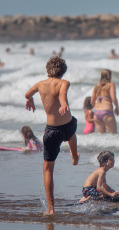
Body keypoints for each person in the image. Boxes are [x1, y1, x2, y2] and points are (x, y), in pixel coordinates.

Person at [24, 56, 79, 214]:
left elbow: (27, 94)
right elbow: (62, 95)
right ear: (63, 71)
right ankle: (74, 156)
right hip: (68, 126)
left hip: (52, 131)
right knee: (72, 129)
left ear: (48, 69)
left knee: (48, 169)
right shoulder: (64, 83)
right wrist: (64, 105)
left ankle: (51, 208)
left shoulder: (40, 85)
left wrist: (30, 100)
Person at [91, 69, 119, 134]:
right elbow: (113, 98)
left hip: (97, 113)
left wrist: (97, 107)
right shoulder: (111, 85)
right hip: (107, 112)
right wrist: (117, 107)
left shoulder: (96, 86)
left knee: (101, 138)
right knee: (113, 136)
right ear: (109, 76)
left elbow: (92, 100)